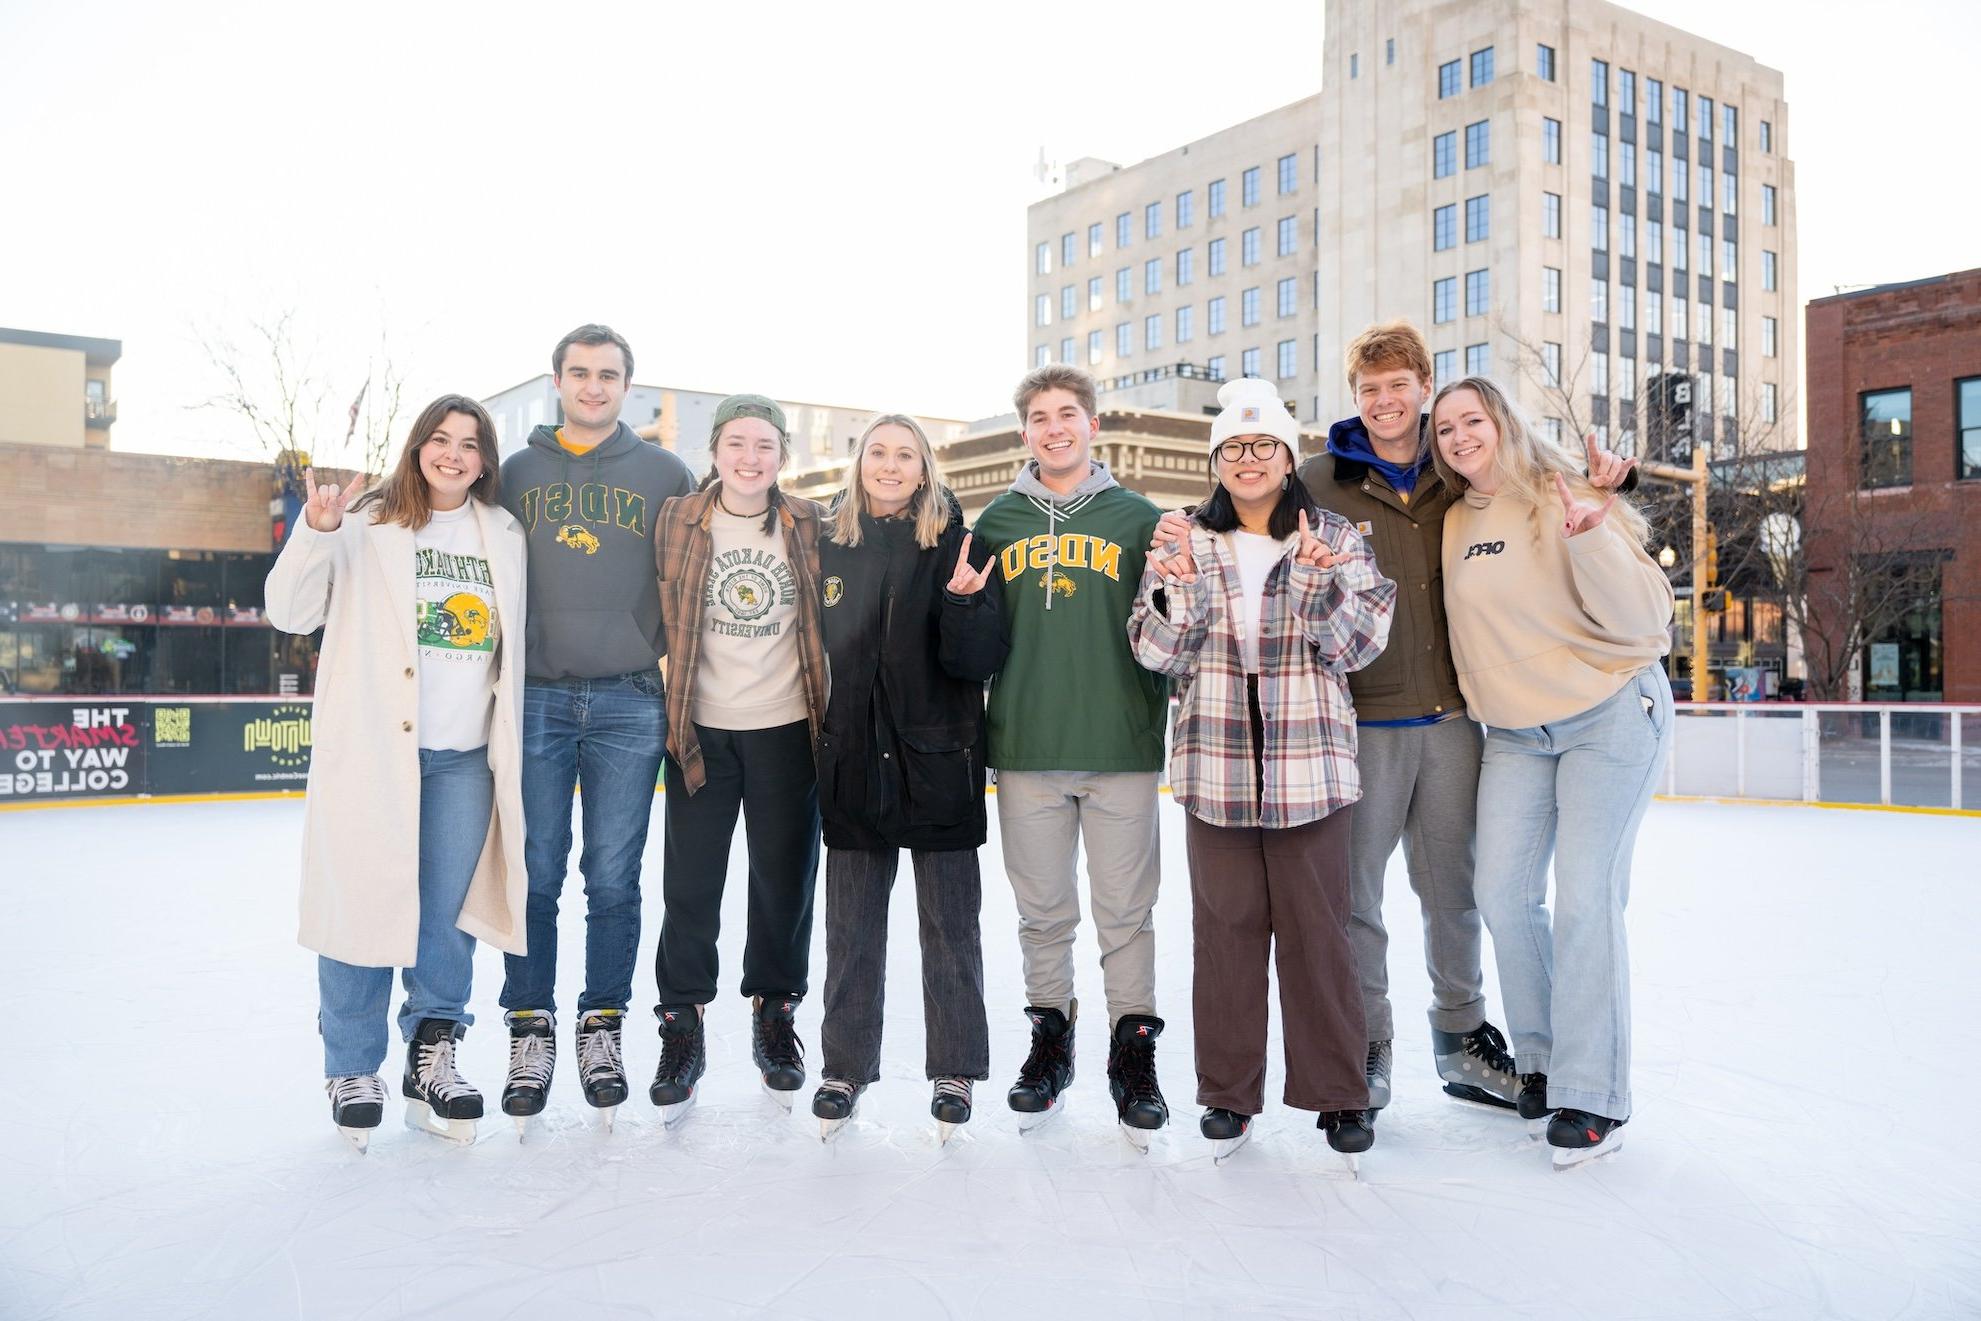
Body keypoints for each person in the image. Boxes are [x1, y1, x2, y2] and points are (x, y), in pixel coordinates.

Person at [1152, 321, 1636, 1116]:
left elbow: (1546, 491)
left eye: (1398, 385)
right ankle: (1368, 1044)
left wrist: (1611, 487)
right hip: (1360, 725)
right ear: (1354, 398)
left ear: (1423, 386)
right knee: (1355, 902)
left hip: (1453, 718)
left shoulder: (1461, 471)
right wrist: (1179, 527)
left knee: (1456, 892)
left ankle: (1463, 1037)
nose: (1384, 401)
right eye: (1368, 389)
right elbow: (1240, 504)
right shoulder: (1321, 480)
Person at [1130, 377, 1397, 1161]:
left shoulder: (1334, 537)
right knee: (1224, 935)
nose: (1249, 459)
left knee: (1320, 936)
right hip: (1213, 766)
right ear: (1216, 462)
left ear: (1288, 458)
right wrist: (1172, 590)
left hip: (1309, 766)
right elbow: (1154, 651)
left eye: (1264, 445)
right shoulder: (1183, 538)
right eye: (1234, 447)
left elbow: (1355, 646)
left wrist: (1315, 581)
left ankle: (1339, 1094)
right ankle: (1227, 1093)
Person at [266, 394, 527, 1150]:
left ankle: (432, 1057)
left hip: (464, 757)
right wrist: (313, 533)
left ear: (484, 460)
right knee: (362, 906)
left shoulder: (502, 534)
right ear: (417, 448)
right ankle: (351, 1066)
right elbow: (289, 611)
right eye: (439, 439)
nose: (453, 453)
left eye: (469, 443)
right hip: (377, 751)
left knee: (448, 917)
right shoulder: (362, 523)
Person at [1429, 375, 1674, 1168]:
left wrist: (1590, 534)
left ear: (1501, 421)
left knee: (1585, 896)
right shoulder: (1452, 519)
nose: (1459, 436)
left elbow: (1646, 623)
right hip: (1516, 734)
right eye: (1444, 430)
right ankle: (1538, 1063)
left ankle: (1592, 1092)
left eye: (1471, 419)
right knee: (1500, 893)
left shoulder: (1561, 490)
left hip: (1608, 713)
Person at [496, 324, 695, 1130]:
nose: (592, 385)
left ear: (626, 386)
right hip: (536, 694)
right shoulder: (513, 474)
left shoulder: (664, 472)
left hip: (628, 697)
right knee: (535, 871)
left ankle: (600, 1025)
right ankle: (529, 1028)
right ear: (556, 380)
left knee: (612, 875)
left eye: (607, 374)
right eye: (578, 372)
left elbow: (693, 577)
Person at [971, 364, 1172, 1143]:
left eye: (1067, 414)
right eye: (1039, 418)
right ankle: (1049, 1043)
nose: (1054, 428)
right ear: (1025, 432)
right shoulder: (996, 523)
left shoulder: (1138, 518)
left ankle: (1133, 1053)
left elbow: (1170, 625)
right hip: (1024, 746)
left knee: (1126, 913)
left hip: (1120, 744)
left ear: (1092, 425)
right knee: (1042, 915)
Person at [809, 415, 1006, 1140]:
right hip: (854, 758)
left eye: (904, 456)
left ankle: (954, 1068)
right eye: (877, 454)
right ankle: (844, 1067)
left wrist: (960, 602)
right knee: (851, 929)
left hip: (939, 760)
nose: (889, 467)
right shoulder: (829, 544)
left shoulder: (961, 544)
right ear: (859, 465)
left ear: (925, 470)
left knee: (950, 927)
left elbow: (978, 661)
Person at [648, 394, 829, 1119]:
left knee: (783, 884)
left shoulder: (812, 523)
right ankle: (681, 1024)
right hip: (699, 730)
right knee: (689, 885)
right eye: (736, 444)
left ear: (782, 455)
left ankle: (774, 1013)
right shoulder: (675, 519)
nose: (749, 458)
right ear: (715, 450)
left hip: (787, 726)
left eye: (764, 446)